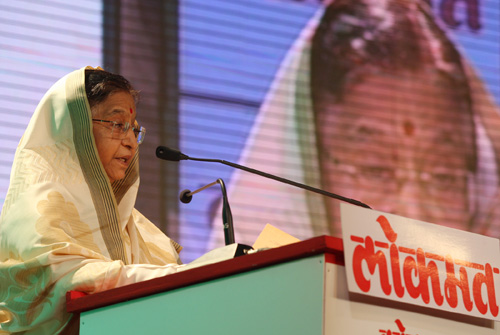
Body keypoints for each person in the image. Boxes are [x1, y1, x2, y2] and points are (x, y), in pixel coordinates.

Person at [208, 0, 500, 249]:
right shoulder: (246, 302)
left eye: (444, 176)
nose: (412, 214)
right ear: (308, 169)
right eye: (375, 171)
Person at [0, 67, 183, 335]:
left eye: (134, 128)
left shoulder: (139, 227)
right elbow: (72, 277)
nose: (132, 142)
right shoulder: (35, 205)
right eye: (117, 124)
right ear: (75, 128)